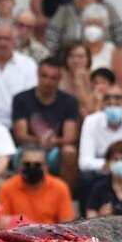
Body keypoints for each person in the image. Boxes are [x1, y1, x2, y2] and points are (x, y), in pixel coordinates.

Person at [12, 58, 80, 192]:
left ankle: (66, 196)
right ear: (37, 75)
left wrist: (54, 141)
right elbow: (20, 135)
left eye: (53, 78)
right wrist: (39, 141)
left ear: (59, 79)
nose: (48, 82)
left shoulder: (69, 101)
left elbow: (70, 137)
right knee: (26, 155)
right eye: (44, 76)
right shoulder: (21, 99)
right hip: (28, 148)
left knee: (69, 152)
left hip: (55, 150)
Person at [77, 87, 122, 198]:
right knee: (86, 178)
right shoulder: (91, 121)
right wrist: (108, 165)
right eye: (109, 103)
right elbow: (84, 162)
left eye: (117, 103)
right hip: (103, 173)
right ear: (102, 104)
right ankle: (88, 214)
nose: (113, 105)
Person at [0, 146, 74, 225]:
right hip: (17, 234)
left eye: (37, 165)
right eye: (27, 164)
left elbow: (67, 224)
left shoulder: (59, 187)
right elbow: (2, 224)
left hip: (50, 235)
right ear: (19, 166)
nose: (32, 168)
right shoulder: (7, 188)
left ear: (46, 167)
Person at [78, 4, 122, 93]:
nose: (93, 27)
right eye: (89, 23)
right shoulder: (77, 50)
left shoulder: (112, 50)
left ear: (104, 26)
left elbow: (121, 79)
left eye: (97, 24)